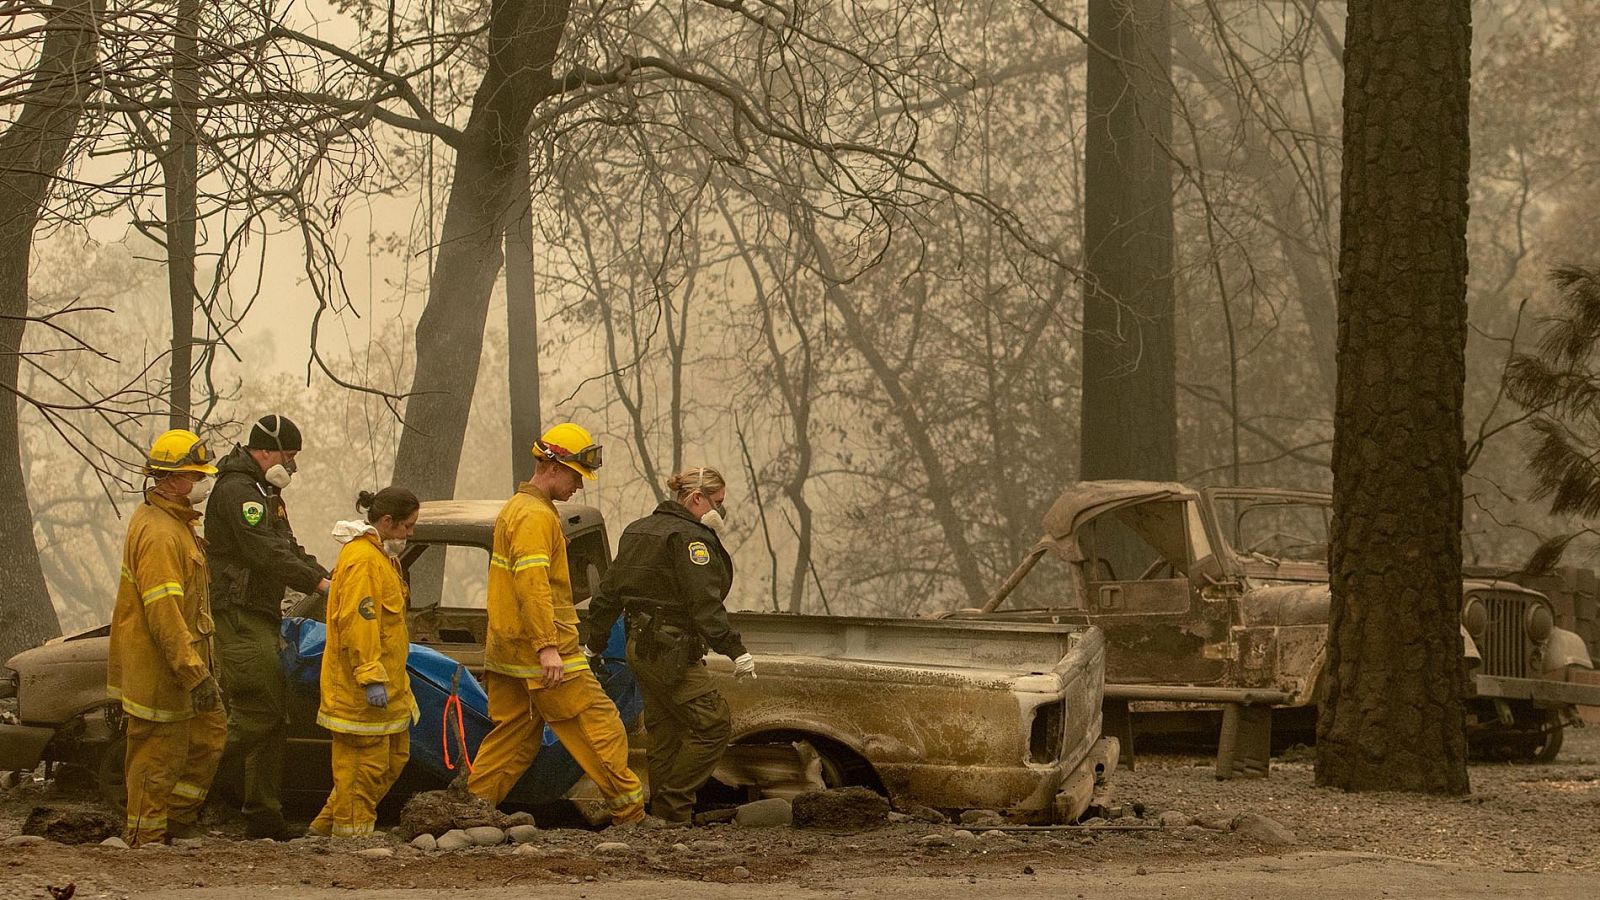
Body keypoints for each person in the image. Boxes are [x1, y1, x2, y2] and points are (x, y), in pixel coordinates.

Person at [466, 422, 645, 824]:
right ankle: (631, 814)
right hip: (543, 651)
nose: (580, 486)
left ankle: (470, 813)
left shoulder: (516, 509)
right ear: (552, 465)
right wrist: (548, 646)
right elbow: (533, 586)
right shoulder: (534, 518)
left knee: (513, 738)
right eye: (576, 475)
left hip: (509, 650)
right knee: (599, 725)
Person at [586, 466, 756, 824]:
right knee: (713, 725)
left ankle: (664, 820)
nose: (720, 510)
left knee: (665, 732)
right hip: (673, 651)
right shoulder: (690, 539)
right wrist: (736, 650)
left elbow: (607, 595)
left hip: (640, 648)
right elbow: (705, 605)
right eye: (718, 502)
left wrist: (595, 643)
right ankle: (675, 806)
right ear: (697, 498)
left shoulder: (637, 530)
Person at [205, 414, 331, 839]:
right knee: (259, 710)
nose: (291, 466)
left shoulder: (264, 492)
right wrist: (316, 582)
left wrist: (331, 575)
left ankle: (264, 816)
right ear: (265, 451)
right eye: (288, 456)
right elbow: (262, 552)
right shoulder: (239, 492)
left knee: (275, 716)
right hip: (236, 613)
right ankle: (186, 786)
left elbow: (287, 547)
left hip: (260, 614)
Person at [108, 429, 227, 847]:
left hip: (183, 664)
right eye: (196, 475)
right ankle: (145, 836)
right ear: (172, 480)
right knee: (157, 755)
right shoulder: (159, 533)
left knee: (209, 734)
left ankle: (176, 820)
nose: (202, 483)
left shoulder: (176, 524)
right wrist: (192, 672)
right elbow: (164, 613)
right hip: (164, 669)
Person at [308, 487, 422, 838]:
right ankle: (351, 840)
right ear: (386, 521)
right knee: (362, 768)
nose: (410, 534)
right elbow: (360, 623)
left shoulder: (382, 557)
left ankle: (324, 829)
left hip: (390, 685)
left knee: (392, 758)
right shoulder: (362, 561)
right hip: (361, 689)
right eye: (407, 526)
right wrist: (370, 676)